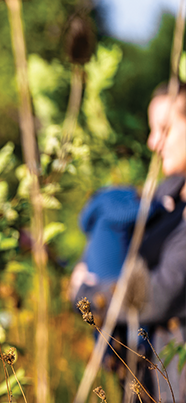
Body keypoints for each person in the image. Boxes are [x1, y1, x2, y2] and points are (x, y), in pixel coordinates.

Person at [71, 82, 186, 399]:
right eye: (151, 130)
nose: (152, 142)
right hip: (142, 378)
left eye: (164, 129)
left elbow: (157, 296)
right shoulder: (165, 195)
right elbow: (117, 247)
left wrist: (87, 291)